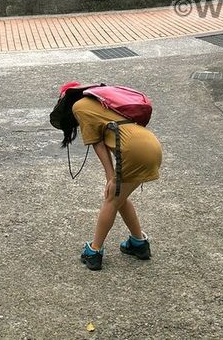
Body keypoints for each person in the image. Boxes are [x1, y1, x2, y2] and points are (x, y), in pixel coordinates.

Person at [50, 82, 163, 271]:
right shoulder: (101, 104)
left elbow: (98, 143)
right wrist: (112, 177)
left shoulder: (80, 106)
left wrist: (110, 175)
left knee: (111, 199)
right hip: (150, 144)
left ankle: (94, 252)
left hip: (134, 149)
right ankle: (138, 243)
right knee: (119, 197)